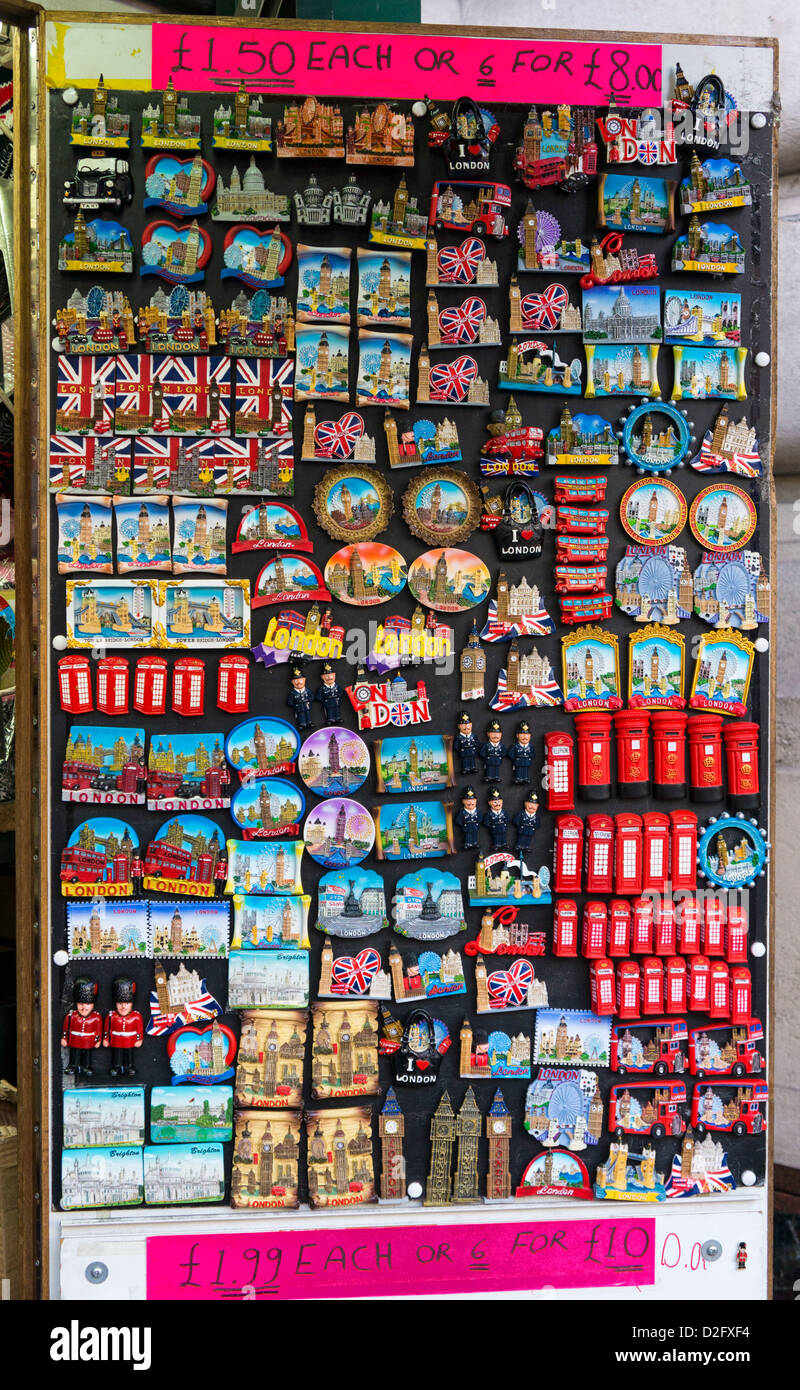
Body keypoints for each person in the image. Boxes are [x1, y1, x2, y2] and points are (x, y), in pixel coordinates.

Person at [61, 976, 102, 1079]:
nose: (84, 1008)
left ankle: (86, 1067)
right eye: (81, 1004)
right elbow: (66, 1028)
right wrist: (64, 1038)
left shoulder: (96, 1018)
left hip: (88, 1041)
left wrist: (98, 1040)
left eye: (87, 1004)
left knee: (86, 1055)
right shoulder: (71, 1016)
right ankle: (73, 1066)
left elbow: (98, 1031)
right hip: (74, 1040)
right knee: (74, 1053)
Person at [104, 977, 144, 1078]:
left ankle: (128, 1066)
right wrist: (106, 1039)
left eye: (127, 1003)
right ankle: (116, 1066)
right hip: (116, 1039)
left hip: (130, 1040)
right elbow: (107, 1029)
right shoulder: (111, 1016)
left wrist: (139, 1039)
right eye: (120, 1003)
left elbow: (139, 1029)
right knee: (116, 1054)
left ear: (131, 1003)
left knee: (128, 1054)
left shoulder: (136, 1016)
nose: (123, 1007)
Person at [286, 664, 314, 730]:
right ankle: (302, 724)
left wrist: (308, 701)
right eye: (296, 681)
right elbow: (290, 702)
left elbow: (312, 697)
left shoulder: (307, 691)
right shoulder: (292, 693)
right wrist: (295, 704)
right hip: (299, 707)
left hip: (306, 705)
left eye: (300, 680)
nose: (298, 683)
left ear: (304, 680)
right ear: (292, 682)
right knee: (301, 716)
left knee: (307, 714)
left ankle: (309, 722)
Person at [454, 711, 479, 775]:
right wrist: (459, 750)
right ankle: (465, 768)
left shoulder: (473, 736)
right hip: (464, 752)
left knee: (472, 759)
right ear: (459, 726)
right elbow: (456, 746)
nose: (466, 727)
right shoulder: (458, 737)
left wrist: (475, 748)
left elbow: (477, 743)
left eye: (468, 725)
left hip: (472, 751)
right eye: (463, 725)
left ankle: (473, 767)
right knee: (465, 760)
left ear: (471, 725)